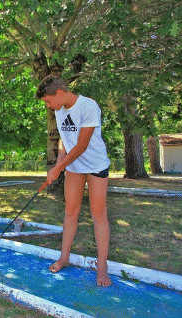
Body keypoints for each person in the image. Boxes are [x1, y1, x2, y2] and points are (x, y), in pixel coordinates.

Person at [36, 75, 112, 287]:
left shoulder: (88, 106)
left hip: (96, 166)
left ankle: (103, 268)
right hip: (74, 167)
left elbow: (80, 146)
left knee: (98, 214)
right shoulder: (60, 110)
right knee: (70, 212)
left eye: (48, 101)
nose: (48, 106)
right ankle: (64, 257)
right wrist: (57, 167)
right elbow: (65, 142)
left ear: (59, 93)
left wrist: (57, 168)